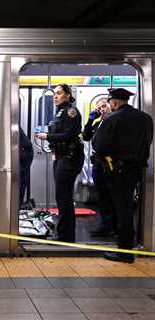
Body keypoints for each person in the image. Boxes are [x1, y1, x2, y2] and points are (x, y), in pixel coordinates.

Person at [93, 88, 153, 263]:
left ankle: (125, 251)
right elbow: (147, 143)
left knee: (122, 209)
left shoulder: (112, 119)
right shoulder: (146, 118)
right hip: (136, 170)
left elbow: (99, 145)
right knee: (128, 206)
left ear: (114, 102)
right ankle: (128, 245)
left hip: (117, 171)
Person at [36, 84, 84, 242]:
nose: (55, 96)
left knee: (64, 198)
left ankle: (66, 237)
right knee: (61, 197)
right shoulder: (60, 112)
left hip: (69, 159)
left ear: (68, 95)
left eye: (59, 93)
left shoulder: (71, 112)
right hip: (62, 157)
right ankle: (63, 233)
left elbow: (70, 134)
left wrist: (47, 136)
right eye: (54, 94)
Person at [82, 98, 116, 237]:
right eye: (99, 108)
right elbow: (86, 137)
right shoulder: (98, 123)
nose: (102, 109)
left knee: (112, 196)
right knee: (102, 196)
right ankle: (106, 225)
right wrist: (90, 121)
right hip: (98, 164)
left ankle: (114, 226)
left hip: (110, 164)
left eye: (104, 106)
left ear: (110, 105)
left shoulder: (114, 121)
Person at [19, 127, 34, 205]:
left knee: (20, 181)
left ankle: (17, 207)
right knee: (21, 180)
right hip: (23, 150)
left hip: (24, 151)